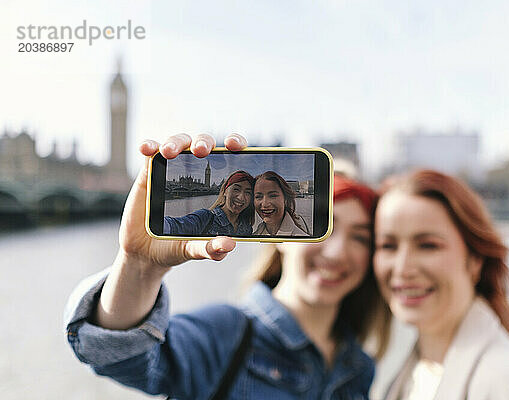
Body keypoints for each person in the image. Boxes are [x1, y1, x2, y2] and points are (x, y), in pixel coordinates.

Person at [64, 133, 391, 399]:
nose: (337, 253)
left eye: (361, 237)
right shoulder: (224, 334)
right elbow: (118, 357)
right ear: (278, 234)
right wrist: (139, 266)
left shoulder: (359, 368)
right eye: (324, 228)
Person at [373, 169, 509, 400]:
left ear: (475, 260)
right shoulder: (416, 371)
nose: (402, 268)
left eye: (428, 245)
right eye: (387, 246)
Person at [163, 170, 255, 236]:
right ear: (225, 191)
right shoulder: (205, 218)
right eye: (236, 189)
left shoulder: (247, 228)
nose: (241, 197)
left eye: (248, 192)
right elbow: (175, 226)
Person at [252, 170, 309, 236]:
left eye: (273, 196)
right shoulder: (254, 235)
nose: (265, 204)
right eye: (258, 196)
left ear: (285, 199)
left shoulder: (301, 239)